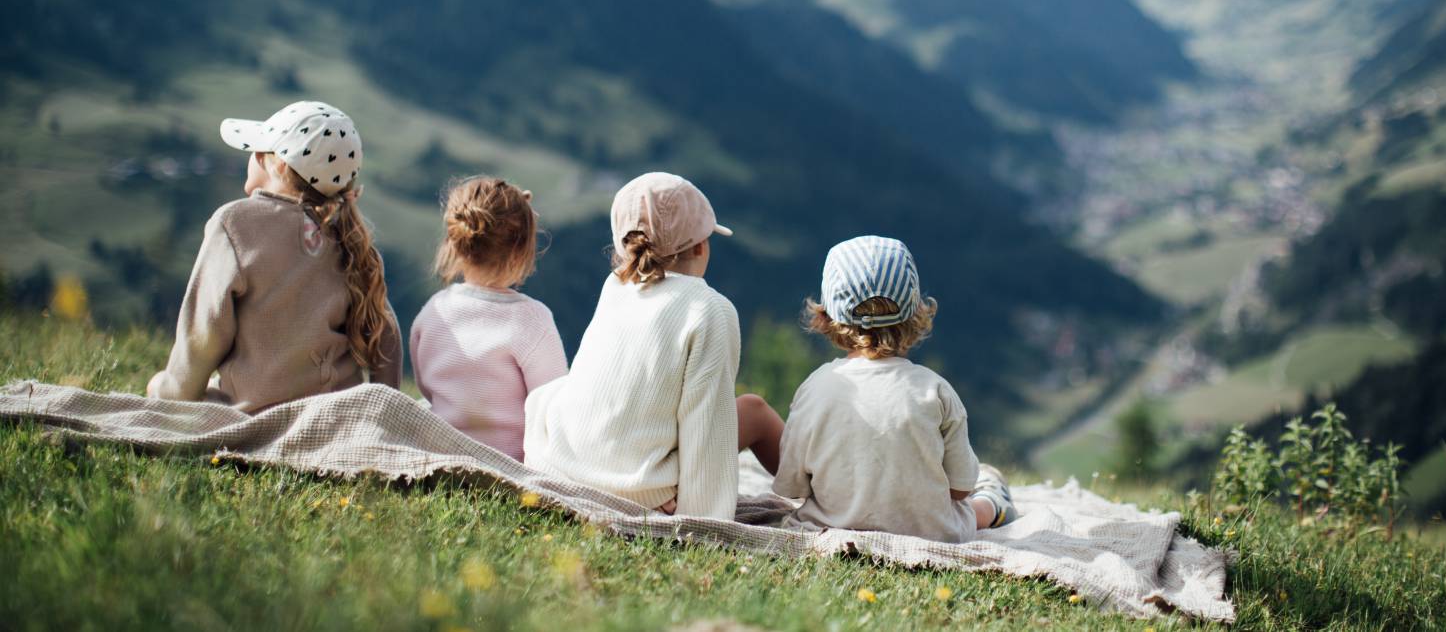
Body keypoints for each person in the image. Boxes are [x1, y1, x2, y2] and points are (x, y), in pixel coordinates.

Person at [523, 171, 784, 518]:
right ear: (700, 246)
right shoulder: (710, 309)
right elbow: (706, 422)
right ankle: (826, 494)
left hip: (566, 466)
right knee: (753, 409)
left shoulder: (616, 285)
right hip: (639, 487)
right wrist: (700, 518)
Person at [146, 101, 401, 411]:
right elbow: (385, 333)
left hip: (255, 410)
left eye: (257, 151)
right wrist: (385, 405)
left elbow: (205, 332)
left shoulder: (235, 223)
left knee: (157, 384)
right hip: (337, 411)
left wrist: (173, 393)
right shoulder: (351, 239)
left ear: (278, 165)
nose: (252, 158)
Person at [773, 235, 1016, 542]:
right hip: (930, 534)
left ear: (825, 316)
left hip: (830, 526)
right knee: (969, 510)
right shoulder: (935, 390)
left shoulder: (814, 388)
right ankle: (994, 503)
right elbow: (960, 489)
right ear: (917, 313)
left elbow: (792, 485)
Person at [410, 176, 566, 459]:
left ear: (454, 243)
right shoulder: (533, 319)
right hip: (509, 463)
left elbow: (427, 387)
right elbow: (553, 408)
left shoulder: (434, 309)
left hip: (441, 456)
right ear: (521, 250)